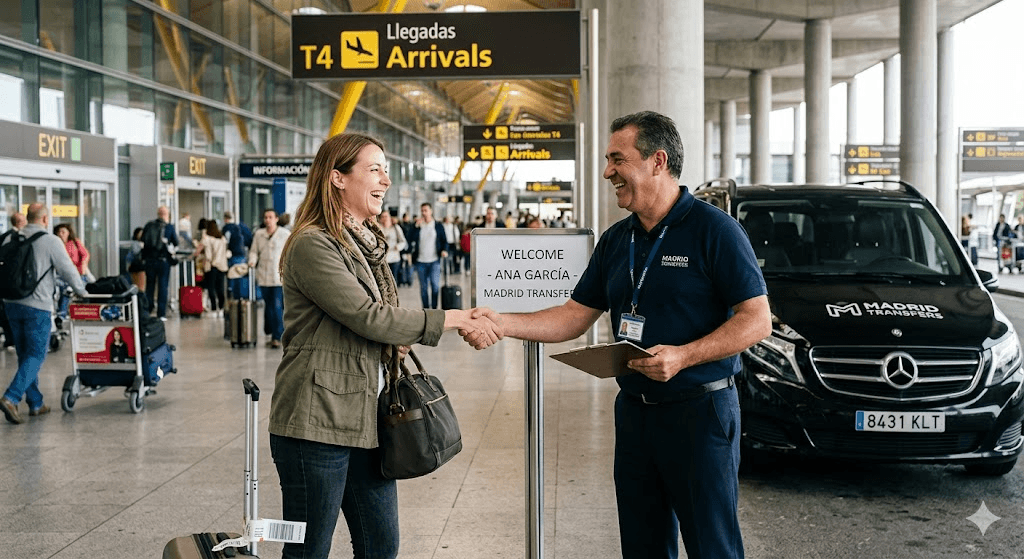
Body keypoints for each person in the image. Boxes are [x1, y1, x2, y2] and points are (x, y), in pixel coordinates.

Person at [473, 111, 771, 558]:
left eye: (618, 159)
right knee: (642, 544)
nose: (608, 172)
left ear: (657, 160)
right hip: (635, 415)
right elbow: (574, 315)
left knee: (713, 546)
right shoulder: (617, 240)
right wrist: (504, 322)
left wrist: (684, 356)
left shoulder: (715, 231)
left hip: (700, 414)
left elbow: (757, 319)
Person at [267, 132, 501, 559]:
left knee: (381, 545)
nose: (385, 181)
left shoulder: (366, 244)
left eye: (386, 170)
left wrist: (396, 341)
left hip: (366, 416)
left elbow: (378, 322)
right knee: (308, 551)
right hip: (314, 422)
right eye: (374, 169)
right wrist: (455, 318)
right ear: (337, 178)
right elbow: (366, 316)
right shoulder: (312, 244)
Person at [1, 204, 89, 424]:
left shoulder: (10, 239)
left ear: (28, 218)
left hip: (10, 303)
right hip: (37, 305)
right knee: (37, 354)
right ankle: (11, 397)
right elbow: (68, 270)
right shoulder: (50, 241)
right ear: (45, 219)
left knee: (24, 354)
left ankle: (36, 402)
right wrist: (83, 292)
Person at [248, 208, 290, 348]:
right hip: (263, 276)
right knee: (269, 307)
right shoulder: (259, 234)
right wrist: (252, 261)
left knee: (277, 306)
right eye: (265, 217)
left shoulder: (284, 234)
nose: (267, 220)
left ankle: (277, 337)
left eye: (270, 217)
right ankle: (272, 331)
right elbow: (254, 251)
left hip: (278, 277)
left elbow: (290, 252)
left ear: (276, 219)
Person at [408, 202, 447, 309]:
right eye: (422, 211)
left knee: (435, 286)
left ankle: (434, 308)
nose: (424, 213)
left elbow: (444, 240)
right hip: (420, 261)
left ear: (431, 211)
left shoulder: (438, 225)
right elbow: (409, 239)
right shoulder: (418, 226)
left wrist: (444, 250)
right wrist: (416, 227)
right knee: (423, 287)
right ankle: (425, 309)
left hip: (434, 260)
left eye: (426, 210)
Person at [141, 206, 178, 321]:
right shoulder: (169, 227)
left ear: (158, 214)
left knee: (149, 286)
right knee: (163, 286)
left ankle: (147, 310)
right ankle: (161, 313)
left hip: (150, 261)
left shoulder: (149, 225)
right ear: (167, 215)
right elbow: (175, 243)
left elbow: (143, 242)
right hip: (163, 261)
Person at [53, 223, 90, 321]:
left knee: (69, 290)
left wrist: (83, 266)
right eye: (59, 232)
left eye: (63, 232)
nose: (61, 234)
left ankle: (62, 314)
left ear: (68, 233)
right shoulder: (56, 245)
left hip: (78, 274)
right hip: (63, 276)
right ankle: (61, 314)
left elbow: (85, 255)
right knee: (65, 289)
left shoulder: (74, 242)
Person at [195, 220, 228, 316]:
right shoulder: (222, 239)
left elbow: (199, 250)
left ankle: (214, 307)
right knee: (220, 287)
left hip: (211, 266)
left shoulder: (207, 238)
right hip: (221, 266)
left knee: (211, 287)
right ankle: (221, 308)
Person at [222, 211, 253, 299]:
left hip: (232, 255)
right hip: (241, 254)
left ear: (225, 219)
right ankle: (240, 296)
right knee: (240, 275)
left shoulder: (227, 228)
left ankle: (231, 295)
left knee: (231, 276)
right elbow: (249, 240)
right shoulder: (242, 227)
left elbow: (226, 242)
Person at [380, 211, 407, 283]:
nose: (385, 218)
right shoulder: (379, 228)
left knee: (393, 281)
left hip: (394, 258)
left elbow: (403, 241)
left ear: (390, 218)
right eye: (383, 217)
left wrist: (398, 247)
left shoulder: (395, 227)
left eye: (386, 216)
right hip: (383, 259)